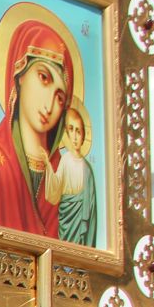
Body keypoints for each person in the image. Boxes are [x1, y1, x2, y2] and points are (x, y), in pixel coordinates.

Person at [0, 12, 74, 239]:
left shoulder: (63, 174)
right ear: (18, 75)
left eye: (59, 97)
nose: (49, 104)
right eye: (44, 78)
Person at [46, 106, 98, 248]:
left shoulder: (87, 170)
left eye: (78, 131)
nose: (74, 136)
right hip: (66, 219)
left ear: (83, 136)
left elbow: (92, 212)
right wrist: (47, 166)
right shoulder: (65, 160)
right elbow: (55, 191)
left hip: (81, 222)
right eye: (71, 129)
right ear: (66, 133)